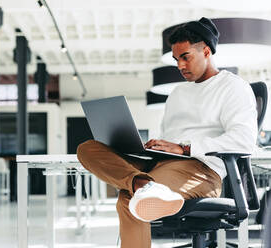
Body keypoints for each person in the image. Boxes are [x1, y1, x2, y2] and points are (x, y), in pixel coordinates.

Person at [76, 17, 258, 248]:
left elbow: (244, 141)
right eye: (176, 59)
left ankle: (143, 187)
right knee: (88, 148)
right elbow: (171, 136)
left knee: (128, 199)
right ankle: (144, 185)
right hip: (162, 165)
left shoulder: (232, 87)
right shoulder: (178, 93)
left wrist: (185, 147)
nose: (180, 66)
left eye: (185, 57)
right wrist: (156, 146)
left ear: (206, 51)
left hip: (201, 171)